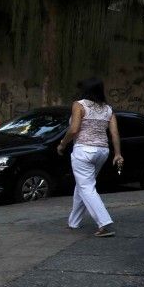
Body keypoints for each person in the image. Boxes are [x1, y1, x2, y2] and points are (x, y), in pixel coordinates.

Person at [56, 78, 122, 237]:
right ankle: (74, 222)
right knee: (83, 186)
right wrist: (118, 154)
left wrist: (62, 144)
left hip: (83, 151)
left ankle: (103, 222)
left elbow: (73, 130)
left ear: (85, 90)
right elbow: (114, 133)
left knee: (86, 187)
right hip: (102, 152)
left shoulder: (79, 105)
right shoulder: (108, 109)